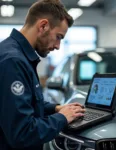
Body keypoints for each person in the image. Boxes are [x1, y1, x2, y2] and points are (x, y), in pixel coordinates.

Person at [0, 0, 85, 150]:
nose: (58, 46)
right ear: (43, 26)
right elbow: (22, 133)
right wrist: (62, 118)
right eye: (58, 37)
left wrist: (56, 109)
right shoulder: (14, 61)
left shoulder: (15, 54)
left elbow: (23, 103)